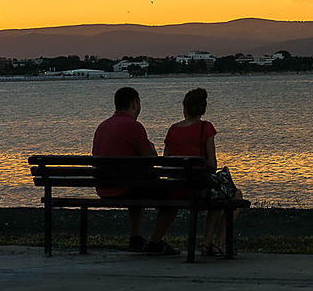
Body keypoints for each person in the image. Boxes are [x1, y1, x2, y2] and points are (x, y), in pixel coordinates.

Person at [92, 87, 179, 255]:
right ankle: (155, 242)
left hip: (103, 187)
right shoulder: (134, 126)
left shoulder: (102, 126)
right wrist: (152, 148)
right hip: (124, 188)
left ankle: (136, 238)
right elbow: (151, 160)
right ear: (134, 103)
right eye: (138, 103)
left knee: (136, 184)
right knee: (175, 193)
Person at [163, 87, 242, 256]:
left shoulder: (172, 130)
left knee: (215, 192)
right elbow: (212, 165)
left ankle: (207, 243)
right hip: (197, 190)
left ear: (184, 108)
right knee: (234, 195)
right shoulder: (206, 128)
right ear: (203, 109)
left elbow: (166, 163)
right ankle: (218, 243)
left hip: (175, 190)